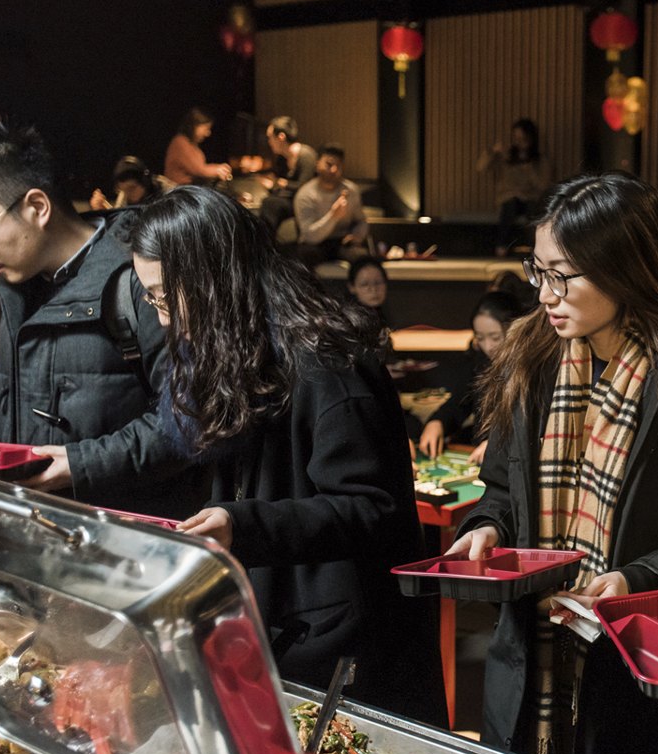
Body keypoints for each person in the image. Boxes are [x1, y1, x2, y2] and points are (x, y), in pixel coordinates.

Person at [445, 171, 658, 754]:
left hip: (646, 673)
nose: (544, 294)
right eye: (539, 272)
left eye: (562, 275)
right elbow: (504, 490)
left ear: (624, 268)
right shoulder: (531, 358)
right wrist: (488, 526)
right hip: (534, 655)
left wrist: (635, 577)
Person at [128, 186, 446, 724]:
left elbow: (374, 508)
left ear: (212, 279)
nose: (163, 319)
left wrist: (241, 523)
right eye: (152, 300)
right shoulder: (244, 346)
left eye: (164, 297)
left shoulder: (326, 360)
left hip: (347, 649)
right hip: (288, 630)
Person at [0, 123, 197, 518]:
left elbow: (192, 419)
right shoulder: (16, 290)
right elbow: (3, 410)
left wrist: (79, 465)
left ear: (37, 207)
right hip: (48, 531)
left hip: (130, 540)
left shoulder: (141, 277)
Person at [417, 289, 522, 465]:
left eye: (495, 337)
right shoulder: (479, 361)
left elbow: (527, 425)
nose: (488, 346)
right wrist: (437, 421)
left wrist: (497, 444)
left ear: (515, 329)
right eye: (480, 338)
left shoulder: (529, 367)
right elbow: (460, 402)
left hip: (513, 461)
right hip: (479, 457)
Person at [476, 118, 554, 255]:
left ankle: (536, 248)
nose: (519, 142)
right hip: (509, 198)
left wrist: (528, 168)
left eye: (522, 138)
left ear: (530, 139)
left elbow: (543, 185)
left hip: (530, 198)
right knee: (509, 206)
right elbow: (481, 168)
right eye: (516, 138)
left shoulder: (540, 161)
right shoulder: (506, 158)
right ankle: (501, 246)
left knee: (533, 211)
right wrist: (492, 151)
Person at [293, 144, 368, 266]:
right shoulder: (305, 194)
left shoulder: (351, 190)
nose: (333, 170)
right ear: (317, 164)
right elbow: (309, 236)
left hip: (341, 242)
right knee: (306, 255)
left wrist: (357, 235)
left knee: (362, 257)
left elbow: (361, 221)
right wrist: (333, 216)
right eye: (329, 164)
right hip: (315, 243)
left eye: (338, 166)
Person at [259, 115, 318, 234]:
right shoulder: (282, 159)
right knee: (269, 202)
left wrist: (282, 184)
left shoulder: (306, 155)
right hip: (291, 201)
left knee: (271, 203)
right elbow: (277, 184)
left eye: (270, 138)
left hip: (309, 202)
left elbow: (305, 187)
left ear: (281, 137)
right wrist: (271, 185)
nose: (269, 142)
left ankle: (264, 245)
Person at [163, 107, 232, 186]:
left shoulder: (193, 146)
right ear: (194, 126)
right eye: (206, 129)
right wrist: (218, 169)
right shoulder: (180, 142)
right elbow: (199, 170)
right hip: (179, 193)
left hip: (189, 191)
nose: (208, 133)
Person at [89, 156, 162, 211]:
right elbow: (120, 223)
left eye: (131, 188)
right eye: (124, 190)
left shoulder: (165, 190)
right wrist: (103, 209)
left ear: (145, 182)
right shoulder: (125, 195)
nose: (128, 194)